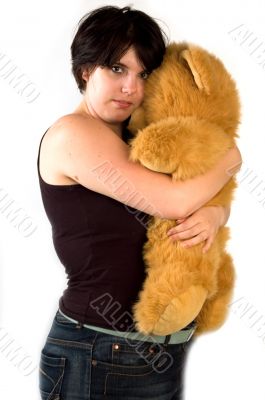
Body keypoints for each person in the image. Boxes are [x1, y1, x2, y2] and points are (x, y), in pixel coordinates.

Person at [37, 5, 242, 400]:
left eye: (143, 73)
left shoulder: (141, 138)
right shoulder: (73, 135)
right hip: (97, 351)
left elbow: (199, 198)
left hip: (155, 353)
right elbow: (173, 202)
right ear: (85, 70)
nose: (132, 87)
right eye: (117, 68)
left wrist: (216, 213)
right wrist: (231, 159)